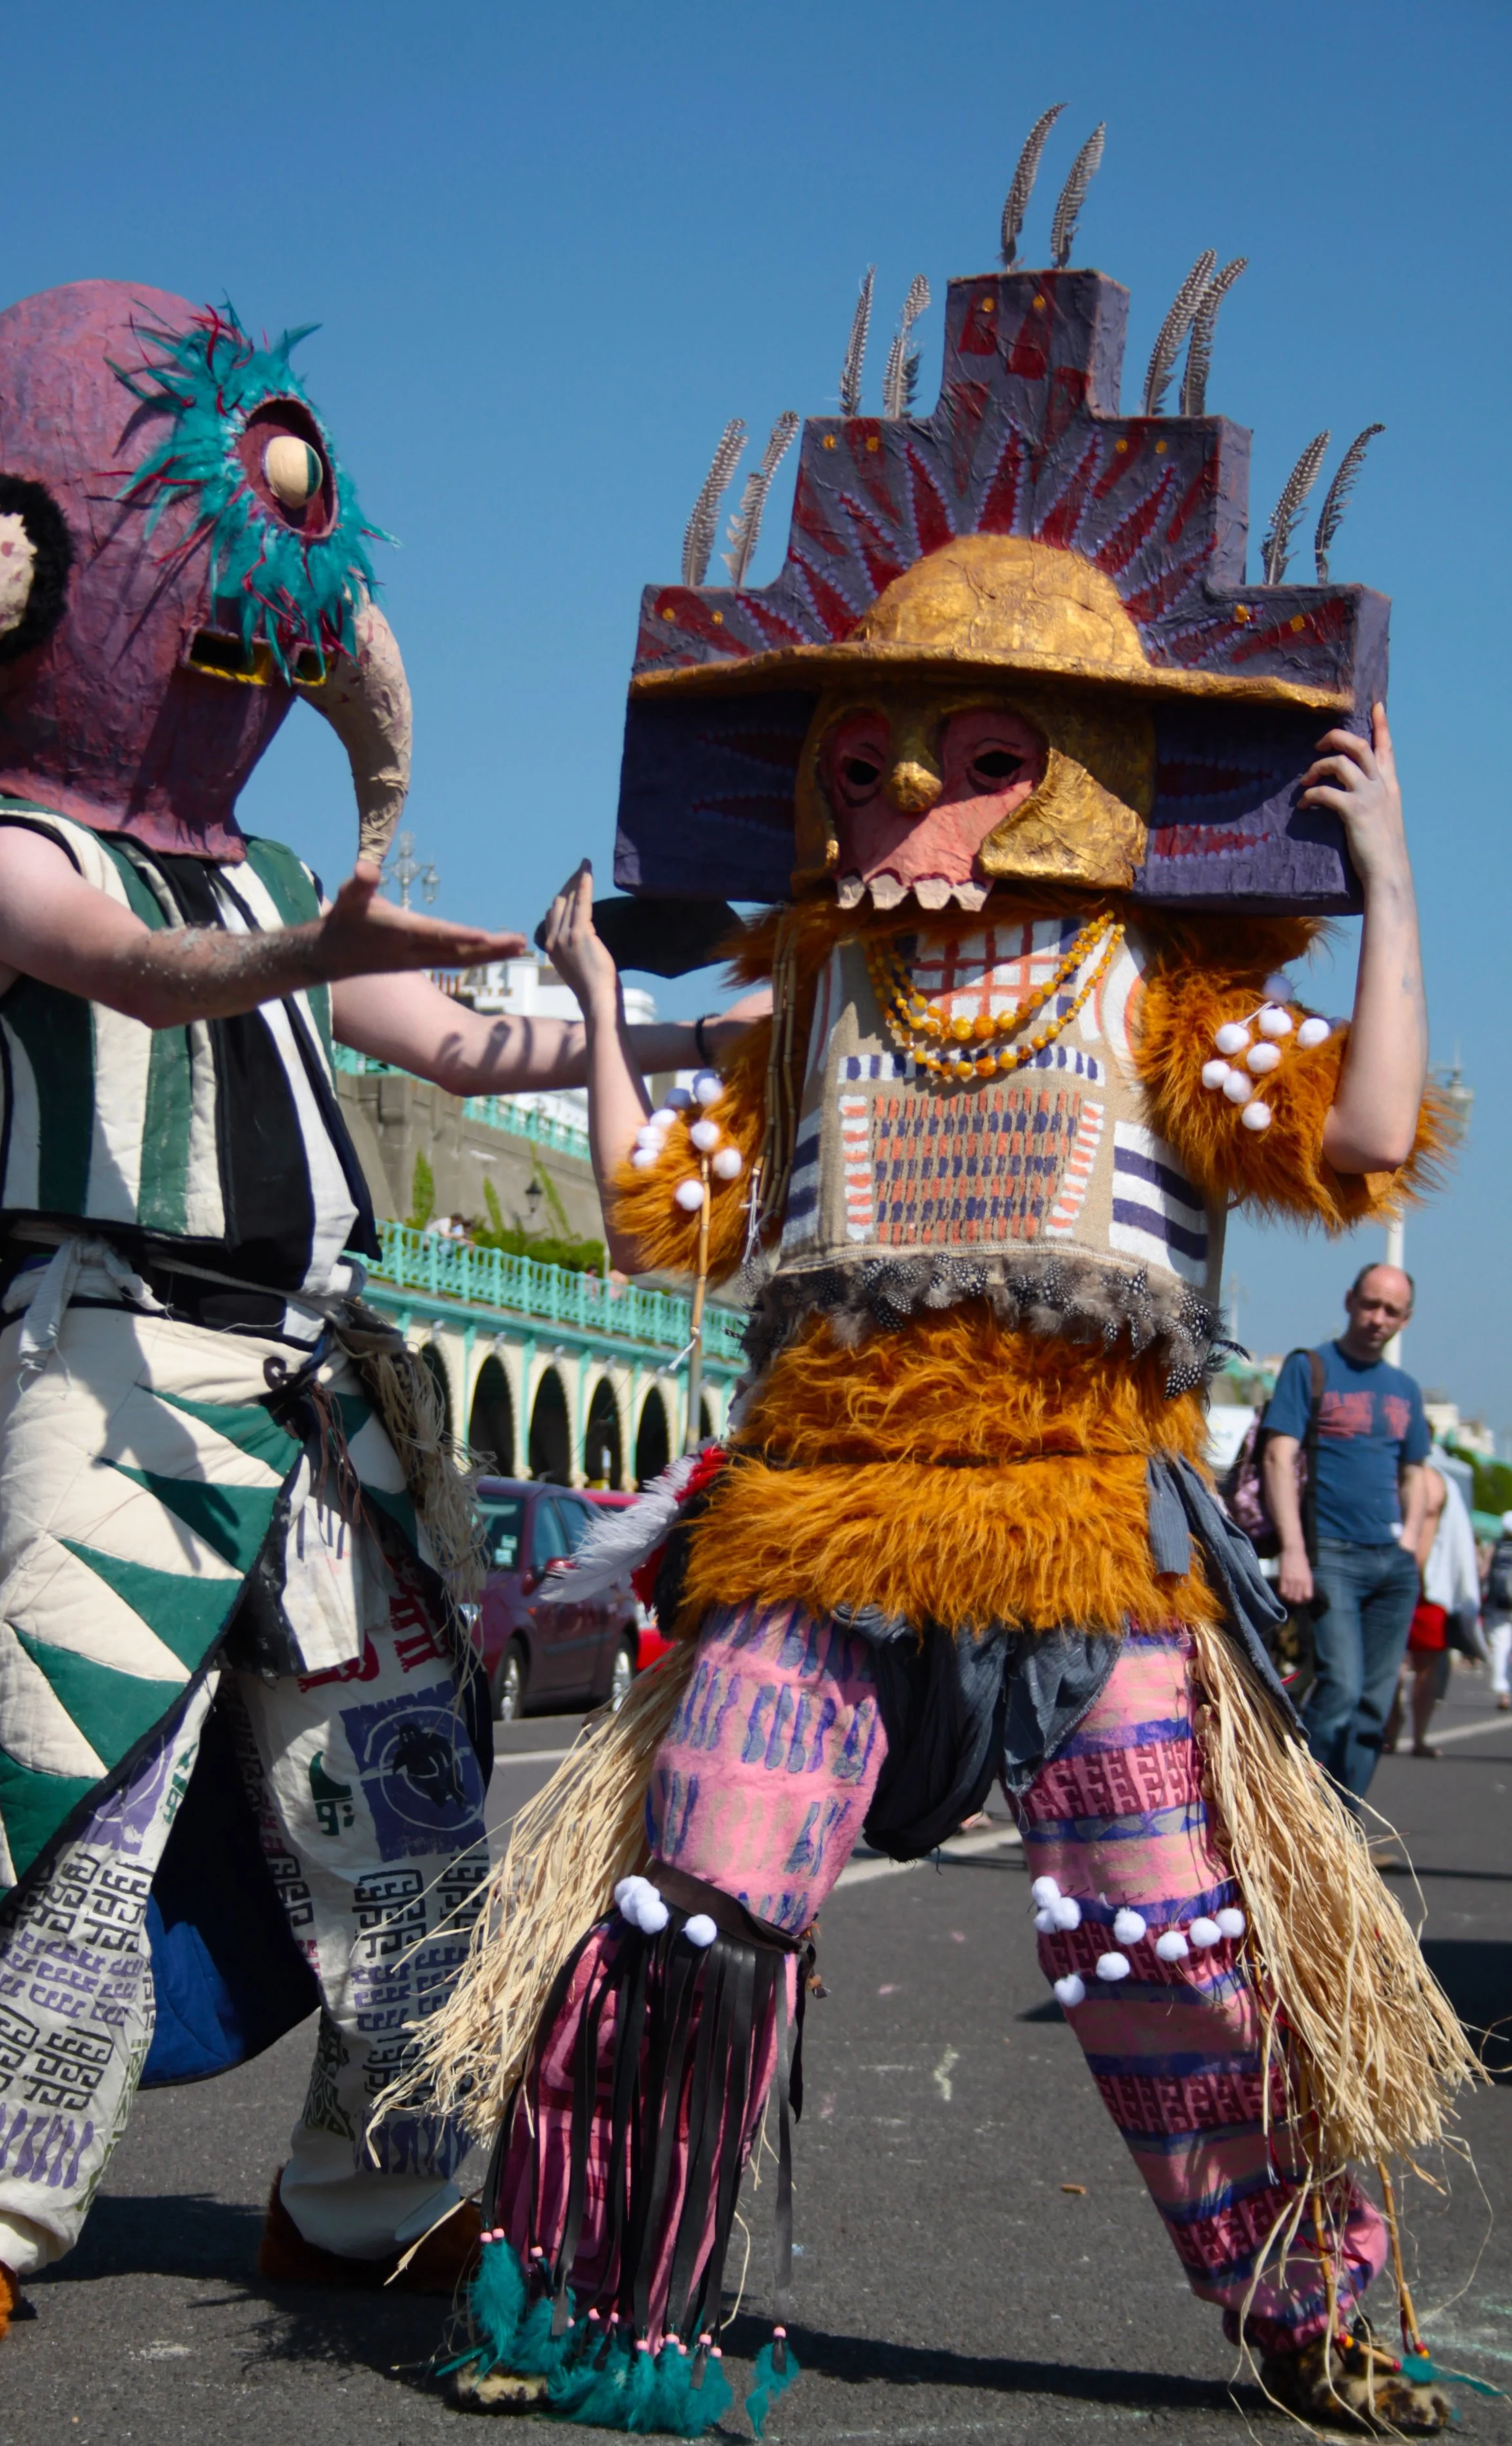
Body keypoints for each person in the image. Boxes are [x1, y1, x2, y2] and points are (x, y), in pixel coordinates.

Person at [415, 193, 1474, 2439]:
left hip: (1088, 1542)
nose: (909, 795)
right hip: (818, 1532)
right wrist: (608, 1008)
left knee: (1161, 1946)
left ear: (1079, 765)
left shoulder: (1168, 996)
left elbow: (1373, 1133)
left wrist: (1389, 896)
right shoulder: (806, 1006)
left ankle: (1311, 2311)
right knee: (696, 1903)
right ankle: (599, 2295)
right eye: (878, 752)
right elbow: (653, 1205)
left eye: (977, 753)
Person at [0, 281, 738, 2352]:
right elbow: (136, 971)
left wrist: (669, 1023)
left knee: (405, 1795)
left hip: (331, 1383)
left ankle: (373, 2191)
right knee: (78, 1775)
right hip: (129, 1367)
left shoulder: (266, 881)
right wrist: (306, 941)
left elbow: (452, 1038)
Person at [1260, 1267, 1430, 1798]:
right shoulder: (1310, 1368)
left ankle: (1346, 1829)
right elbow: (1277, 1456)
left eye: (1391, 1311)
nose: (1377, 1319)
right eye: (1370, 1304)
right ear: (1350, 1299)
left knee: (1374, 1708)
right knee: (1340, 1691)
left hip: (1391, 1562)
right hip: (1331, 1554)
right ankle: (1305, 1818)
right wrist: (1293, 1551)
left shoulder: (1405, 1389)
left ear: (1406, 1320)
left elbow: (1416, 1476)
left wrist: (1410, 1552)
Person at [1385, 1461, 1479, 1756]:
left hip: (1428, 1589)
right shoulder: (1390, 1472)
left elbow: (1456, 1539)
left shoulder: (1437, 1482)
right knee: (1390, 1662)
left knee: (1425, 1665)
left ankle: (1418, 1735)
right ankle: (1393, 1722)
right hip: (1393, 1581)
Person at [1483, 1510, 1512, 1712]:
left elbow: (1483, 1572)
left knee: (1500, 1647)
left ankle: (1503, 1691)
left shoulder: (1496, 1546)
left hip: (1497, 1605)